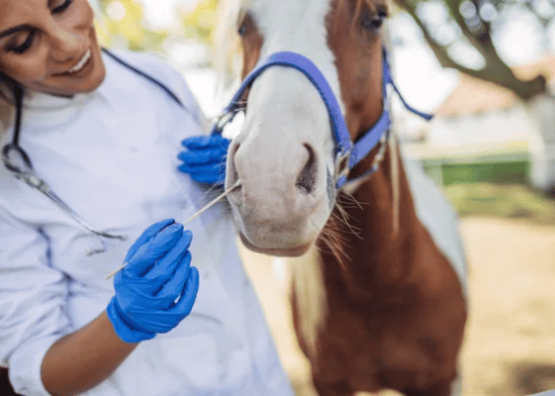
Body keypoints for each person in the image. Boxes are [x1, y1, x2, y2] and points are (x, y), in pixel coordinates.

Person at [0, 1, 295, 395]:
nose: (69, 44)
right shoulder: (10, 170)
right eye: (21, 43)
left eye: (62, 5)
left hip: (264, 379)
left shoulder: (156, 76)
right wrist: (125, 320)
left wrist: (240, 181)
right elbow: (38, 373)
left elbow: (253, 233)